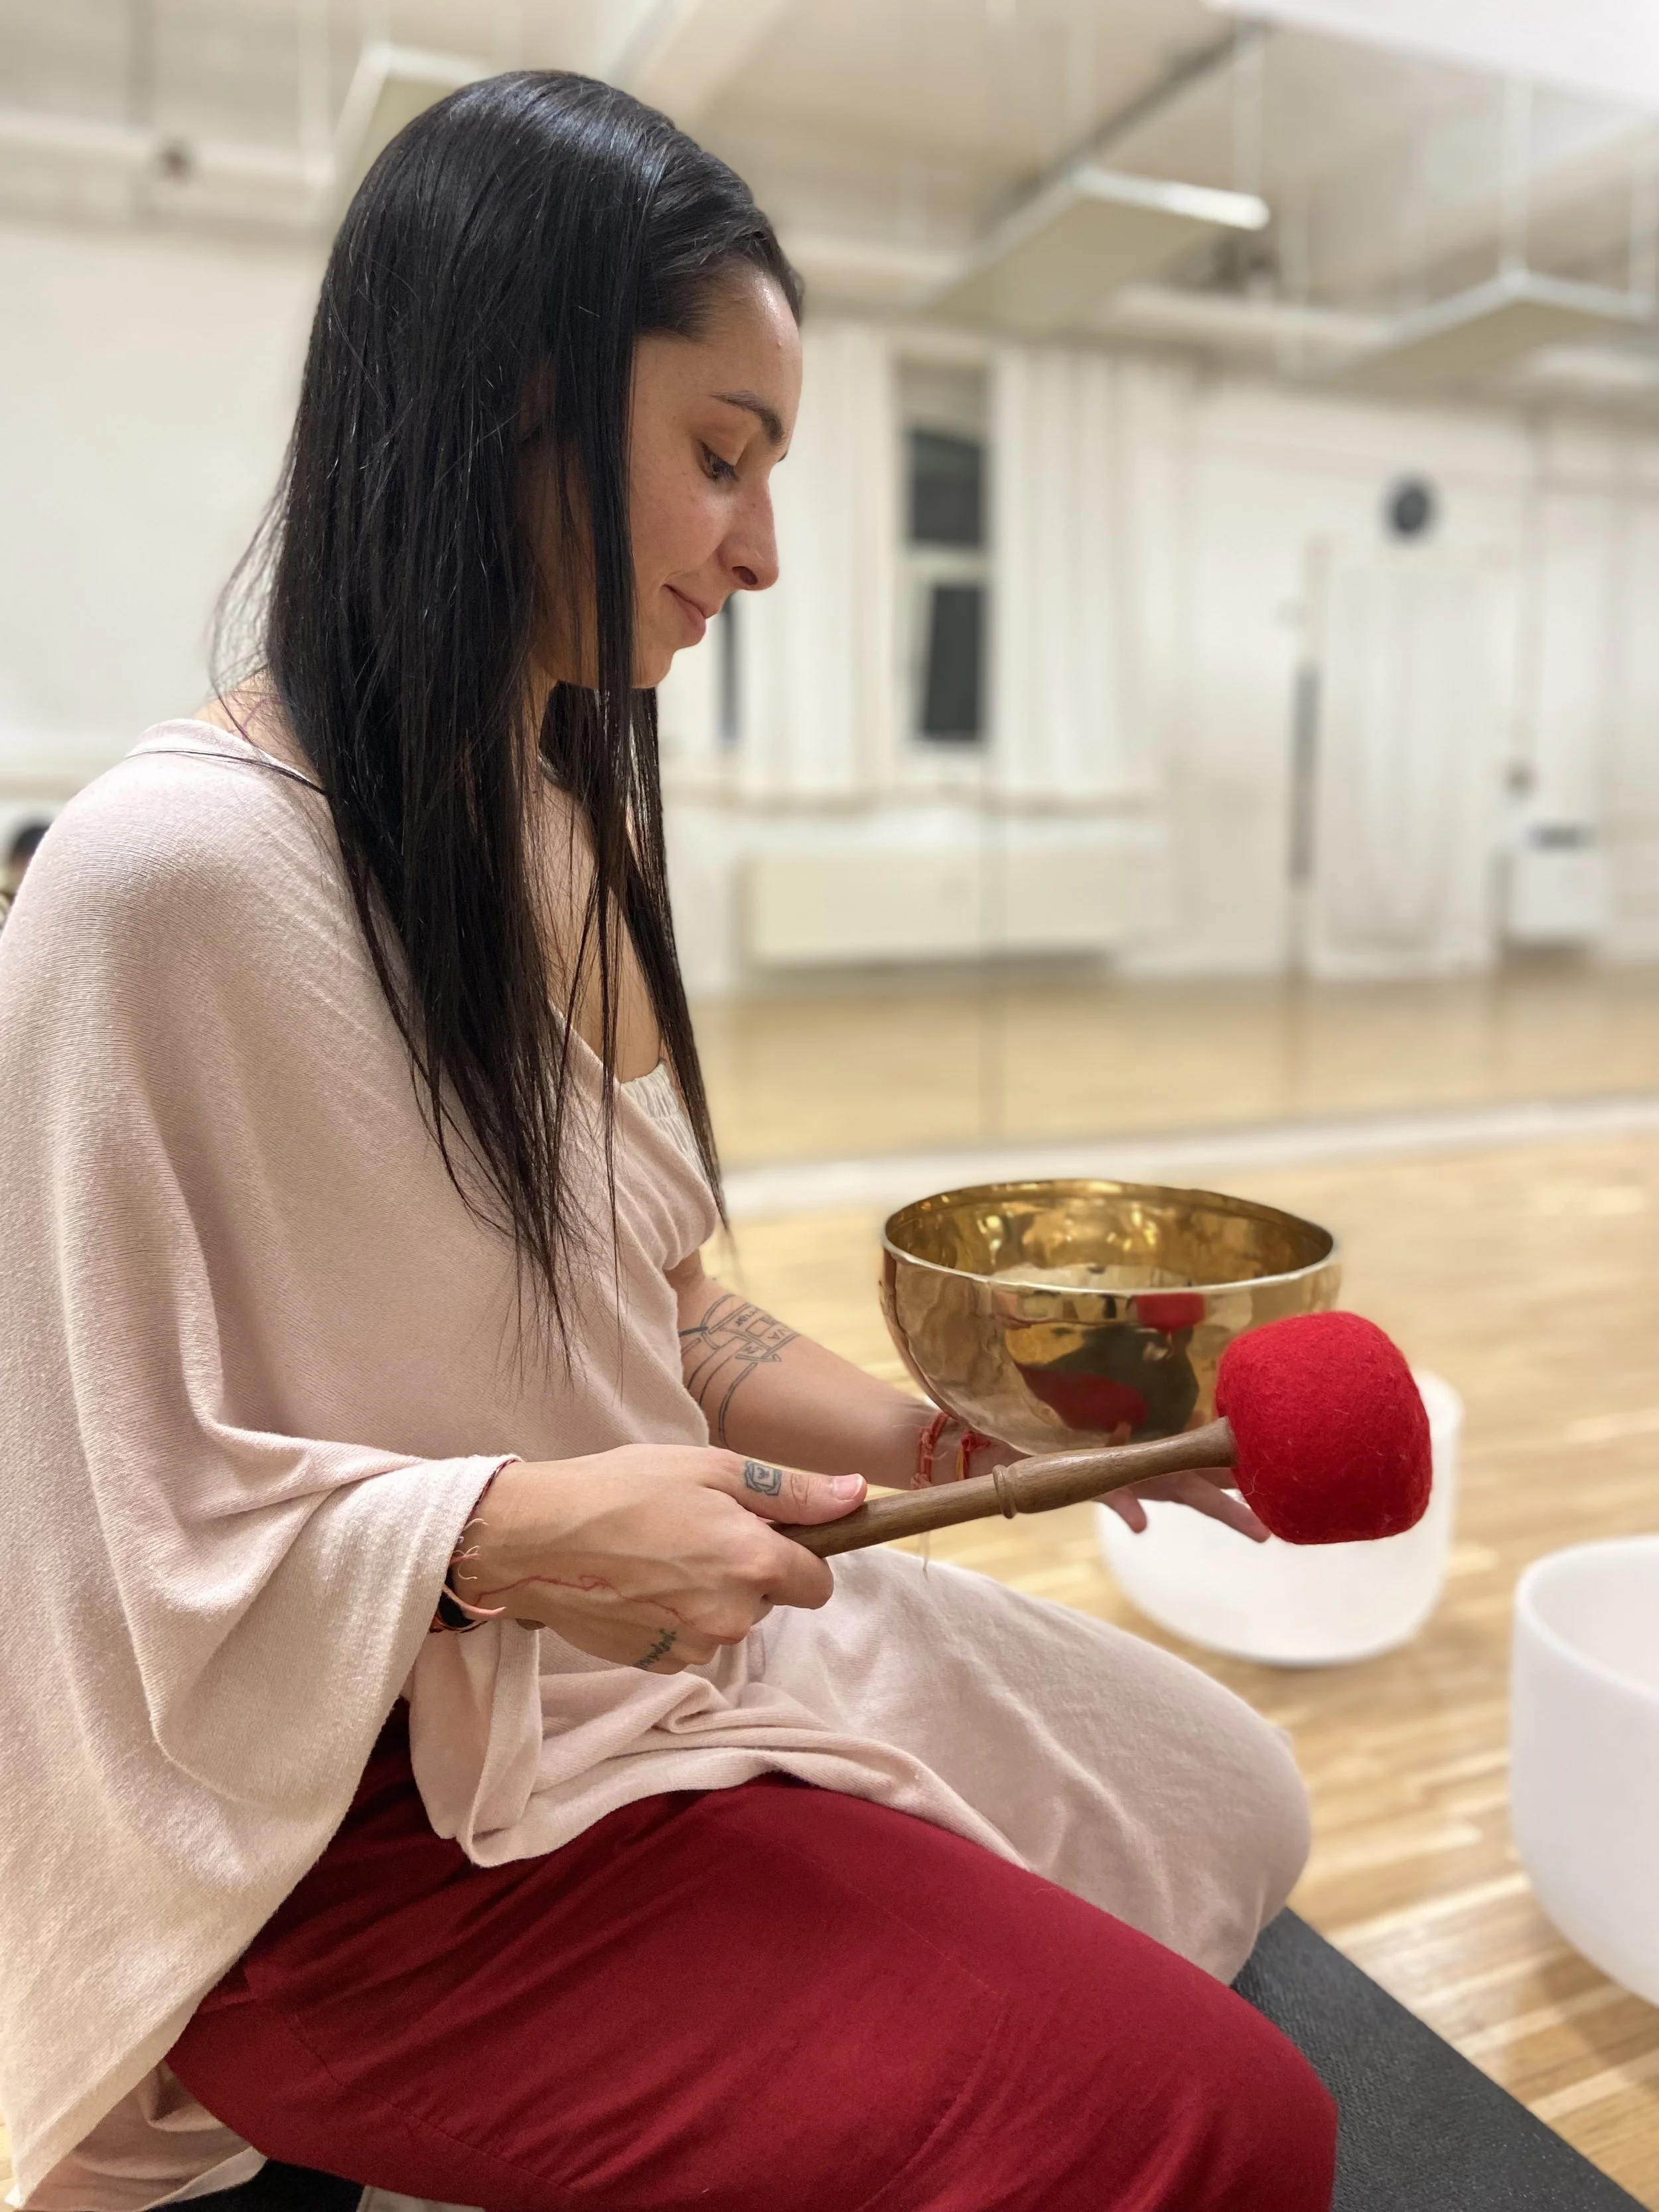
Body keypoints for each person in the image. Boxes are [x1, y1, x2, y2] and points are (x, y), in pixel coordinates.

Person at [0, 72, 1335, 2212]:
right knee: (1223, 2126)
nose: (767, 549)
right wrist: (496, 1538)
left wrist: (939, 1446)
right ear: (504, 403)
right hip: (348, 1816)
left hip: (644, 1650)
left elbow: (673, 1316)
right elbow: (92, 1532)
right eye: (721, 456)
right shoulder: (153, 884)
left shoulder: (564, 820)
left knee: (1231, 1794)